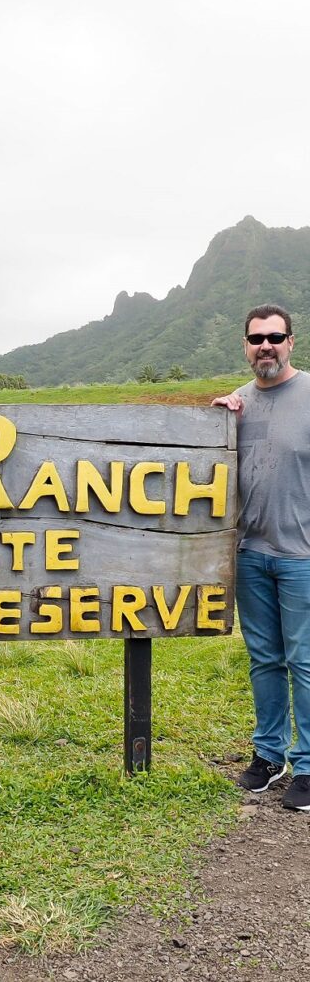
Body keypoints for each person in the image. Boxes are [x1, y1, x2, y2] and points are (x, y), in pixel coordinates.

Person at [212, 304, 310, 812]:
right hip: (250, 553)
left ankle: (309, 765)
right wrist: (216, 419)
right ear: (246, 346)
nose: (265, 345)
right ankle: (269, 756)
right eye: (256, 339)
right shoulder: (238, 404)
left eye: (275, 336)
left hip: (302, 555)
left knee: (306, 661)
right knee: (265, 660)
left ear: (291, 341)